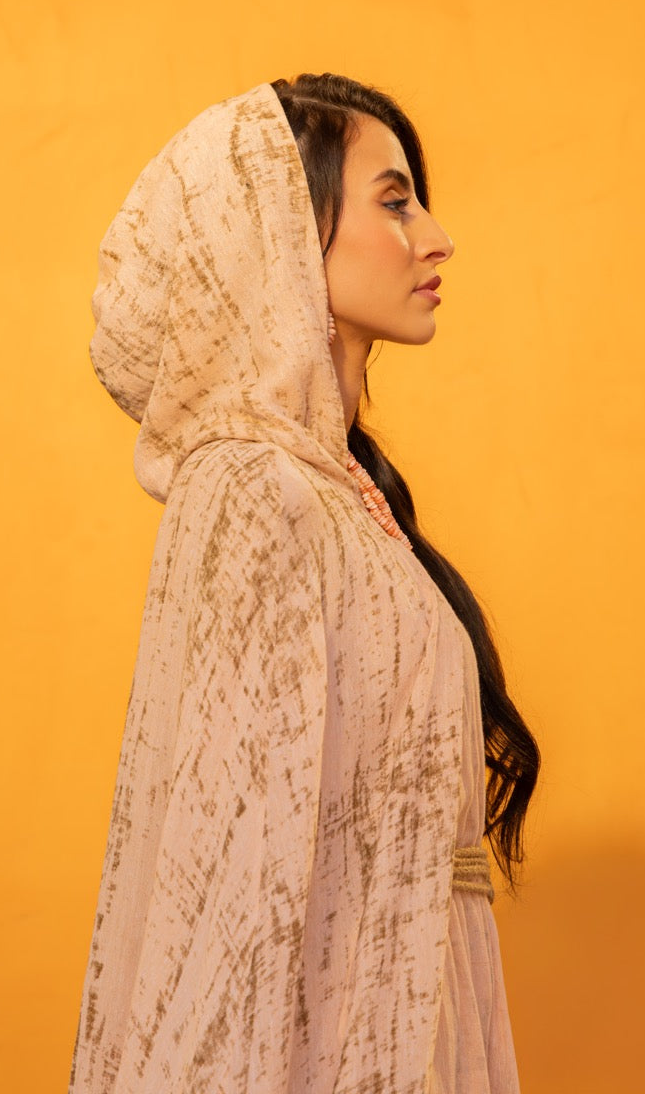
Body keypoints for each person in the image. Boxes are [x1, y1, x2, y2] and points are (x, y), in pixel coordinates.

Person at [68, 72, 540, 1093]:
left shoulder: (345, 502)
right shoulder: (250, 485)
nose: (435, 238)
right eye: (394, 201)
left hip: (412, 1024)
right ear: (279, 229)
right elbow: (229, 872)